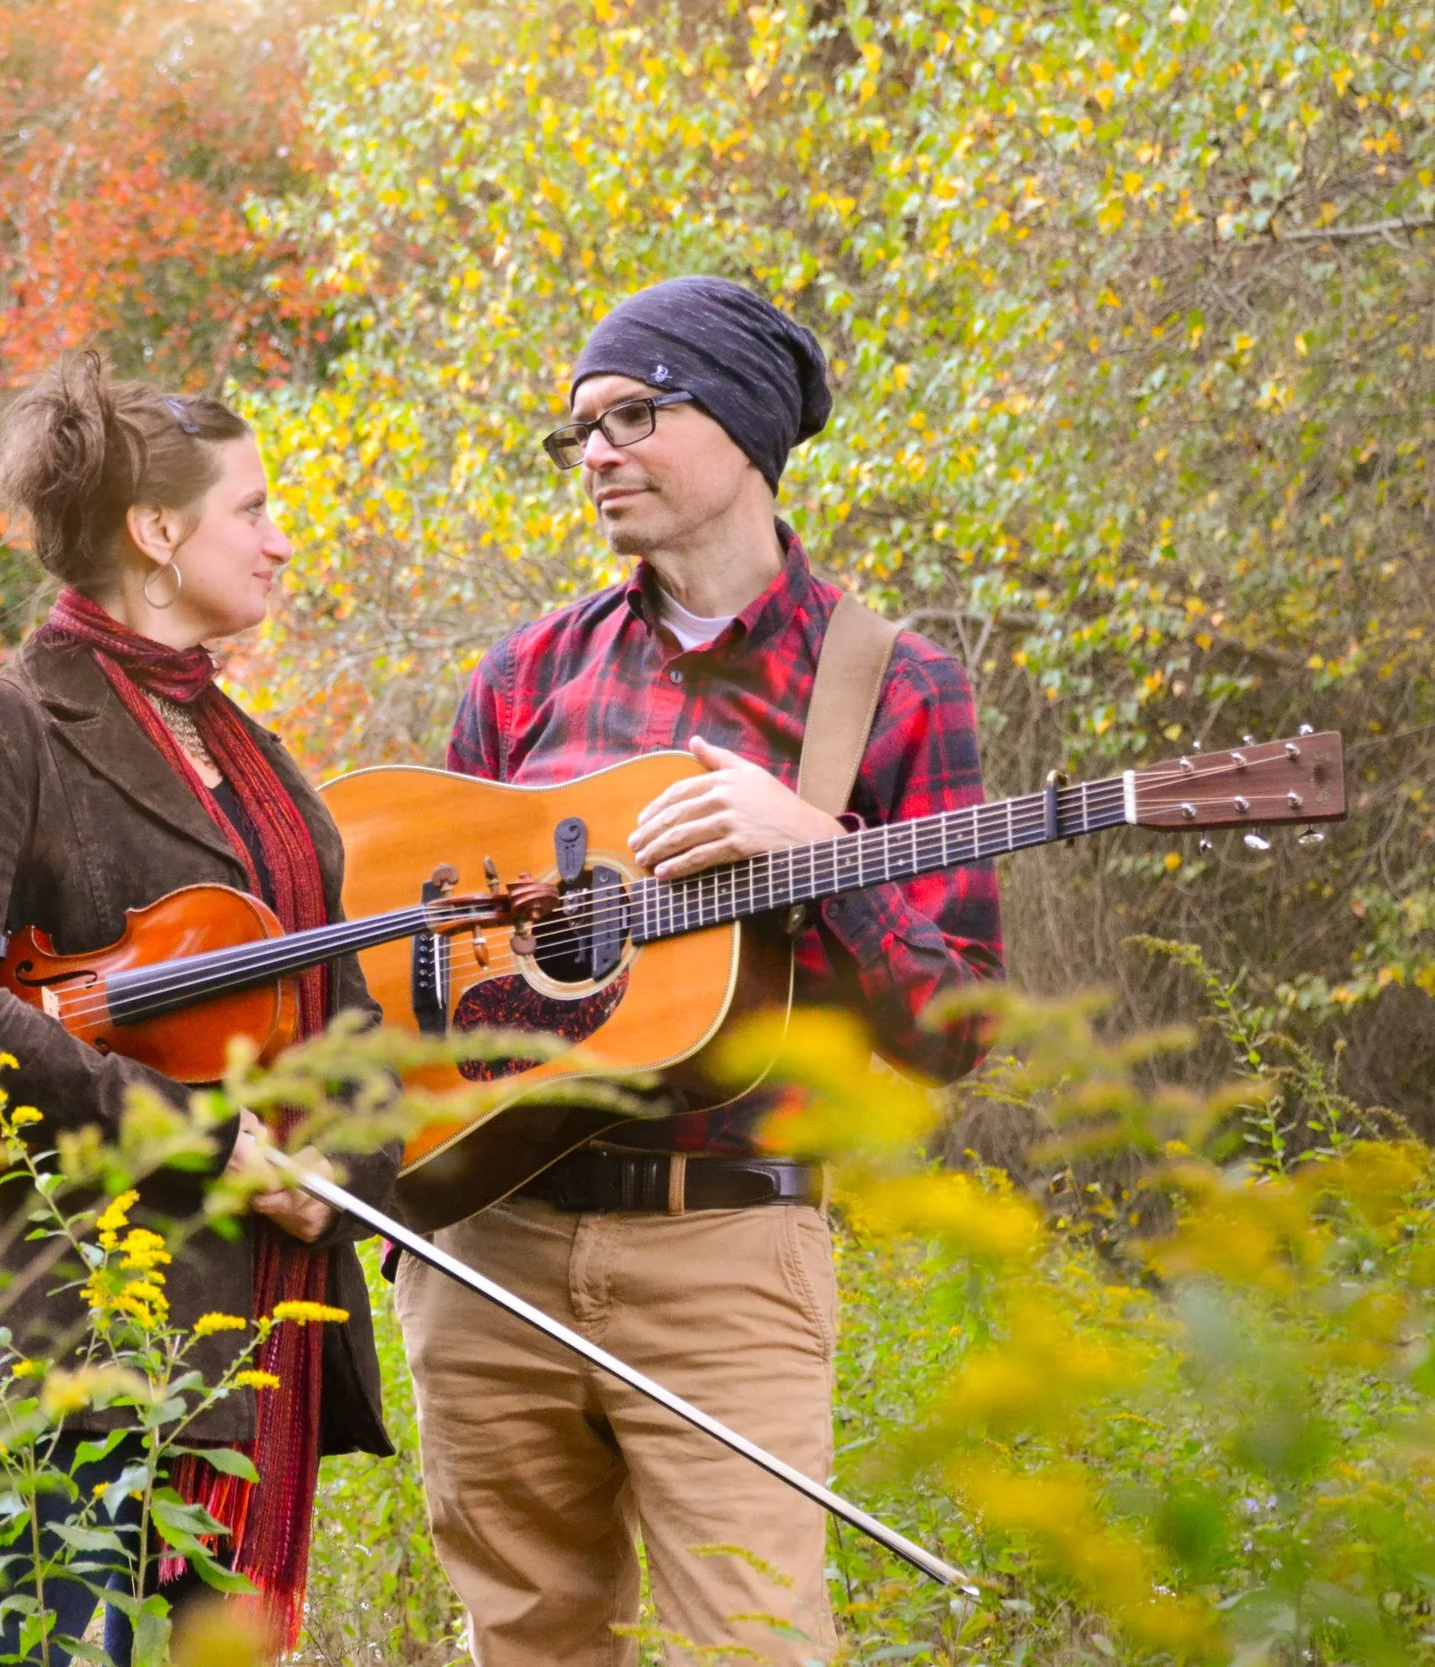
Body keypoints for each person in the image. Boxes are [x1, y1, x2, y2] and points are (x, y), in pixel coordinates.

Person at [396, 276, 1005, 1665]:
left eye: (634, 414)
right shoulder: (527, 672)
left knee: (758, 1645)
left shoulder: (890, 683)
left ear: (738, 428)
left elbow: (956, 1025)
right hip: (492, 1244)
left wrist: (821, 847)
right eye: (581, 431)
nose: (598, 451)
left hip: (730, 1248)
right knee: (526, 1645)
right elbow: (432, 960)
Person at [0, 352, 400, 1664]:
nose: (283, 544)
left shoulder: (250, 755)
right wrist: (200, 1134)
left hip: (259, 1317)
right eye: (255, 510)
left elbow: (329, 1000)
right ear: (158, 534)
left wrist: (347, 1160)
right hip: (85, 1312)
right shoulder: (0, 733)